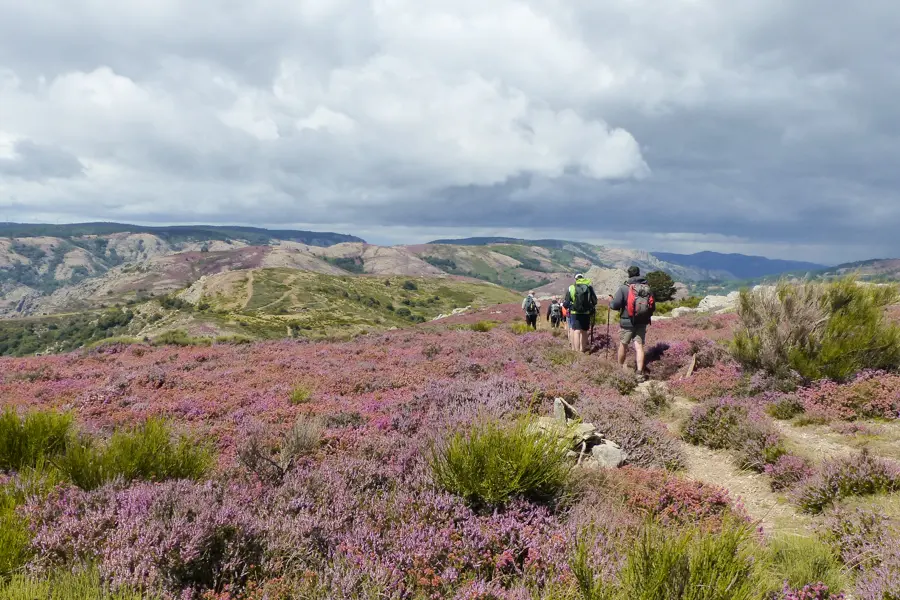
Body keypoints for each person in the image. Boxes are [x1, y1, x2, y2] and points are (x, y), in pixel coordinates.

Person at [609, 266, 656, 380]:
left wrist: (611, 302)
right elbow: (652, 307)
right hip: (642, 321)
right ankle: (639, 372)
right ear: (639, 274)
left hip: (627, 321)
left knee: (623, 344)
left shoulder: (624, 288)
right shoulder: (647, 288)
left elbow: (615, 305)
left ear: (629, 274)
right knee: (639, 346)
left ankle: (619, 368)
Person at [563, 274, 597, 352]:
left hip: (575, 313)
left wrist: (571, 307)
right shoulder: (589, 287)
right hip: (586, 313)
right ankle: (582, 350)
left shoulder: (571, 288)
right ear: (583, 279)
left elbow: (566, 303)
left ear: (576, 279)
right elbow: (595, 301)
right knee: (584, 331)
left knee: (576, 331)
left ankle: (576, 351)